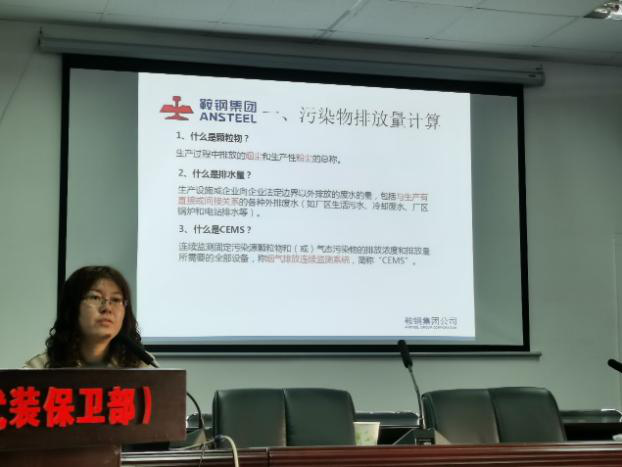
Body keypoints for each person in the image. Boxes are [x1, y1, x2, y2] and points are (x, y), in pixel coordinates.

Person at [24, 265, 153, 368]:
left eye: (116, 299)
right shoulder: (39, 369)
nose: (107, 308)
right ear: (72, 308)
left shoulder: (142, 366)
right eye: (95, 297)